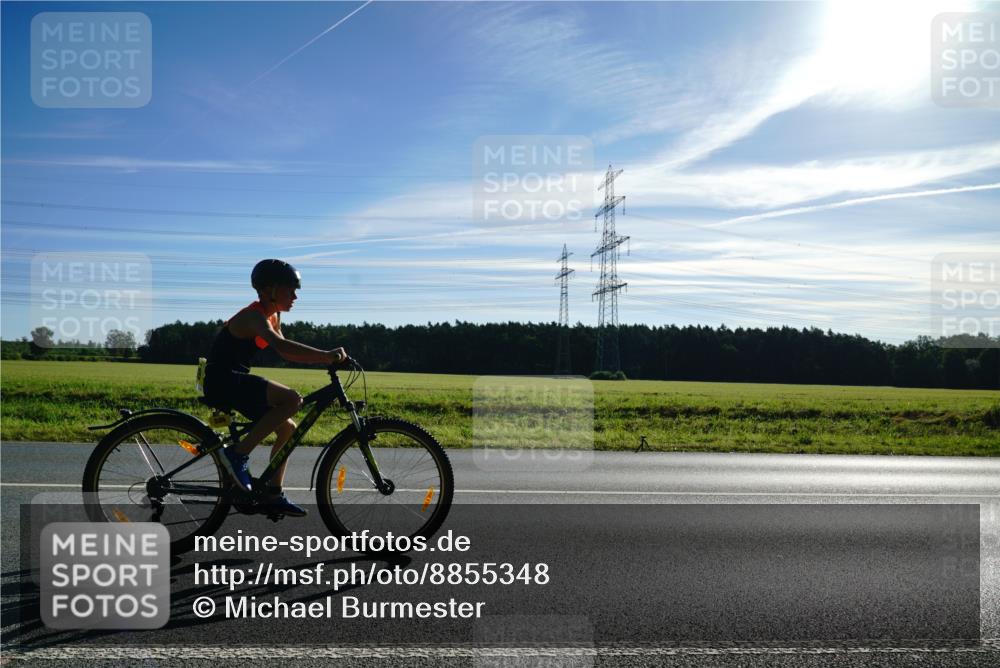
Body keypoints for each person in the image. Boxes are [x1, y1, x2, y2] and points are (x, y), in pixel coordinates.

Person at [203, 259, 346, 517]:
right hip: (222, 381)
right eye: (290, 289)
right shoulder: (254, 316)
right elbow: (282, 347)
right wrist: (326, 355)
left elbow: (289, 352)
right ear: (270, 289)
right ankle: (237, 454)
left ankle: (273, 494)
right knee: (292, 400)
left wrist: (323, 358)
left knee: (288, 429)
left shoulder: (272, 316)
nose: (295, 296)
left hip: (234, 379)